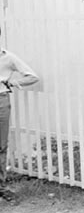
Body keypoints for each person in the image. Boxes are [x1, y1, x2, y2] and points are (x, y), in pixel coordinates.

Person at [0, 28, 39, 201]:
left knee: (1, 145)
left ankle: (1, 186)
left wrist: (13, 82)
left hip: (1, 100)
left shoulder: (7, 57)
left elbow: (32, 76)